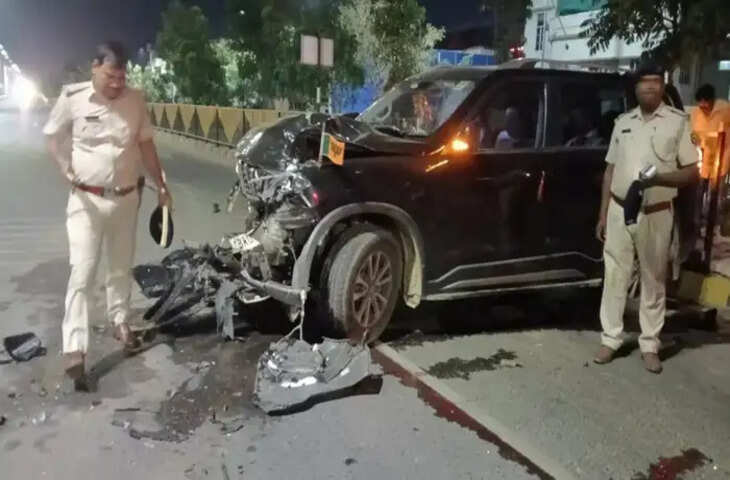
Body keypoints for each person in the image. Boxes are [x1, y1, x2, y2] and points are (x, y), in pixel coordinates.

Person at [43, 41, 172, 382]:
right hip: (85, 202)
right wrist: (64, 166)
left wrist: (161, 186)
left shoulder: (135, 100)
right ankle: (74, 347)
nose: (116, 84)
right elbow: (52, 137)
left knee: (119, 267)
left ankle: (120, 321)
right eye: (110, 77)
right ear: (95, 68)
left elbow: (146, 145)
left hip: (126, 199)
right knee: (82, 270)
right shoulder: (73, 98)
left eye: (121, 78)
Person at [593, 62, 699, 374]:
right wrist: (602, 214)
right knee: (615, 275)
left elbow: (691, 172)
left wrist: (659, 180)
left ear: (663, 86)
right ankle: (610, 338)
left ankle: (650, 344)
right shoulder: (623, 122)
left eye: (655, 81)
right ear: (636, 88)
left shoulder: (677, 122)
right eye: (644, 82)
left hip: (656, 212)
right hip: (618, 209)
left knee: (653, 278)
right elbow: (610, 170)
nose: (649, 87)